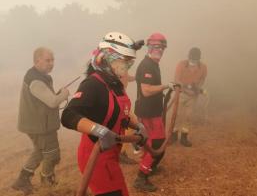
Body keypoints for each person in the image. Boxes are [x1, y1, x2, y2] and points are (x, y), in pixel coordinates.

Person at [61, 32, 147, 196]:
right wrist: (100, 131)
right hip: (95, 155)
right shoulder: (93, 84)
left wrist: (139, 125)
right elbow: (68, 115)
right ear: (108, 59)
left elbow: (123, 113)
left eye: (129, 63)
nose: (126, 68)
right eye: (124, 62)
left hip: (111, 152)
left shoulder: (115, 83)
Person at [12, 47, 70, 194]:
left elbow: (44, 99)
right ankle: (47, 181)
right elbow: (52, 102)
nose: (51, 63)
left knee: (39, 151)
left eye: (52, 60)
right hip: (40, 126)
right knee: (52, 154)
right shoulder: (36, 80)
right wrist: (64, 94)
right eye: (47, 60)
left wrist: (56, 94)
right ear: (37, 60)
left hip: (36, 124)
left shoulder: (39, 75)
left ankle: (22, 179)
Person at [133, 32, 179, 192]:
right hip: (147, 113)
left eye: (162, 48)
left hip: (153, 112)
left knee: (155, 146)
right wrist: (167, 86)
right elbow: (146, 90)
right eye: (156, 47)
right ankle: (141, 177)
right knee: (156, 146)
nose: (159, 50)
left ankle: (149, 168)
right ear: (150, 47)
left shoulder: (153, 64)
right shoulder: (147, 65)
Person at [173, 47, 207, 147]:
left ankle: (184, 136)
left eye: (195, 60)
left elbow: (202, 80)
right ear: (188, 57)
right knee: (177, 114)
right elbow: (176, 79)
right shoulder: (181, 64)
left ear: (199, 59)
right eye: (191, 60)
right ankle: (174, 134)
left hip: (193, 96)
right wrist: (186, 87)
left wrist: (197, 88)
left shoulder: (203, 67)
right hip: (181, 93)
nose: (193, 62)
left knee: (189, 116)